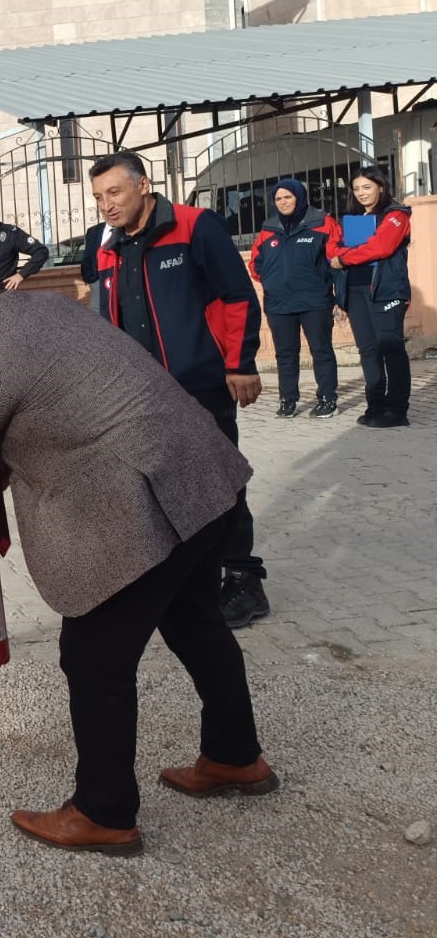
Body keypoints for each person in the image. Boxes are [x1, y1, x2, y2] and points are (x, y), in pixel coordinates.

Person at [0, 264, 275, 857]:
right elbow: (63, 399)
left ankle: (104, 812)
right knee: (195, 622)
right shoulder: (39, 307)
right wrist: (3, 465)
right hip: (200, 476)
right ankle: (235, 757)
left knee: (94, 659)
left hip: (145, 500)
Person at [89, 152, 268, 630]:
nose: (106, 205)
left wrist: (240, 362)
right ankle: (183, 579)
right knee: (155, 485)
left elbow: (237, 296)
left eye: (115, 192)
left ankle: (244, 581)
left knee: (221, 481)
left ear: (143, 185)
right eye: (99, 197)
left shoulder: (195, 226)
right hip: (139, 397)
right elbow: (104, 320)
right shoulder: (109, 246)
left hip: (200, 384)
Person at [328, 165, 414, 428]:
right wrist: (340, 257)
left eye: (367, 187)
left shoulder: (396, 215)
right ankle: (375, 405)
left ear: (381, 187)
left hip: (386, 290)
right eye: (356, 188)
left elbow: (381, 246)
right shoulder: (352, 220)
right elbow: (332, 247)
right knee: (368, 351)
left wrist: (344, 258)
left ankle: (397, 410)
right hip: (355, 290)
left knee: (391, 348)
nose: (361, 193)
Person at [249, 178, 340, 419]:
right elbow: (255, 263)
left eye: (287, 197)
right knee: (285, 354)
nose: (283, 202)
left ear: (299, 197)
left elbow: (337, 259)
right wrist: (270, 281)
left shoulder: (322, 222)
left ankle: (327, 398)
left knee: (321, 350)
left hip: (315, 301)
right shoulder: (269, 227)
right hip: (279, 304)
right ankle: (288, 399)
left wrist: (335, 292)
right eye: (278, 198)